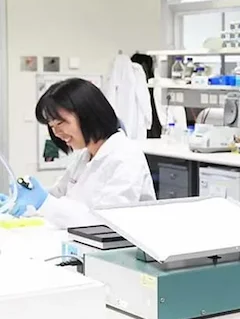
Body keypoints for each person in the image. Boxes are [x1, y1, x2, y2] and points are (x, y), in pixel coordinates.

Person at [0, 78, 156, 229]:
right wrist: (21, 203)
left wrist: (43, 201)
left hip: (116, 245)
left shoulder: (126, 157)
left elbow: (104, 224)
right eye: (52, 126)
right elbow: (57, 197)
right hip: (79, 240)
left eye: (60, 123)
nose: (56, 133)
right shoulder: (85, 156)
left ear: (88, 115)